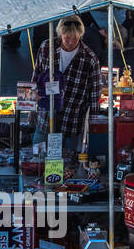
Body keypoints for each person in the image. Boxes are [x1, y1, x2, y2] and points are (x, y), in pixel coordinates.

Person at [32, 15, 105, 171]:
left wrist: (92, 124)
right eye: (67, 38)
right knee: (38, 163)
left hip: (72, 120)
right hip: (45, 117)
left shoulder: (90, 58)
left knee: (68, 167)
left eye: (75, 38)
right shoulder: (46, 47)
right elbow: (36, 75)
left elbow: (95, 93)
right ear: (60, 34)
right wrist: (33, 96)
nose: (71, 42)